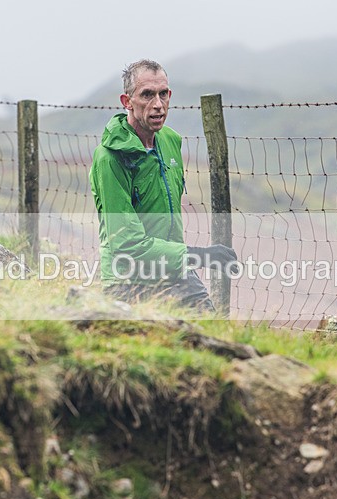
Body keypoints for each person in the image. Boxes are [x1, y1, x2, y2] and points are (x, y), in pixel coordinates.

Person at [89, 59, 238, 312]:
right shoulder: (110, 158)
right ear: (127, 102)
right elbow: (125, 242)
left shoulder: (170, 141)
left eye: (163, 94)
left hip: (171, 269)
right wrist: (199, 255)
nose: (158, 105)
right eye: (147, 95)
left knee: (209, 329)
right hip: (127, 278)